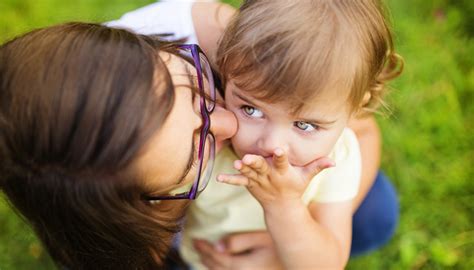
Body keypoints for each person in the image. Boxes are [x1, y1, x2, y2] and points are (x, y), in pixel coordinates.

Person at [107, 0, 403, 268]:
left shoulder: (338, 159)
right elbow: (157, 218)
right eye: (251, 109)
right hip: (195, 255)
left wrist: (284, 207)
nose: (272, 145)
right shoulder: (212, 136)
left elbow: (325, 264)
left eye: (305, 125)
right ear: (225, 70)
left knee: (379, 211)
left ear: (355, 109)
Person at [0, 22, 238, 269]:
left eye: (196, 91)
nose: (230, 124)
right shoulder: (107, 235)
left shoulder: (192, 28)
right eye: (194, 156)